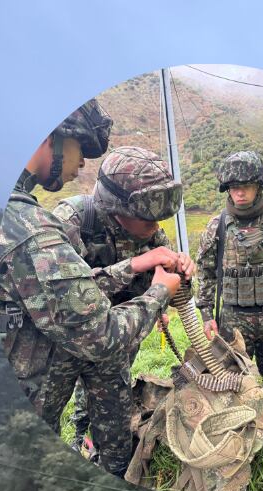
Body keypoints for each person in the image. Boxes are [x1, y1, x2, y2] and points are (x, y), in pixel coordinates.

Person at [0, 100, 188, 476]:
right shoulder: (41, 227)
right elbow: (95, 328)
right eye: (79, 148)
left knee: (113, 437)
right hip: (66, 353)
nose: (81, 163)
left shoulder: (15, 214)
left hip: (96, 349)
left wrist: (148, 270)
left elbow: (69, 292)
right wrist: (158, 293)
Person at [52, 146, 186, 464]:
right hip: (63, 348)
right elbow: (66, 300)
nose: (156, 226)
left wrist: (178, 277)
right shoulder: (70, 223)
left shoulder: (152, 233)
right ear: (117, 207)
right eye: (147, 218)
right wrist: (137, 264)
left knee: (116, 445)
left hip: (116, 348)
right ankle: (76, 438)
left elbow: (174, 289)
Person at [195, 151, 263, 401]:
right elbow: (205, 273)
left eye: (246, 187)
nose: (239, 193)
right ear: (227, 189)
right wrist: (207, 315)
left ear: (259, 187)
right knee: (232, 380)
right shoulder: (216, 227)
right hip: (233, 318)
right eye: (234, 187)